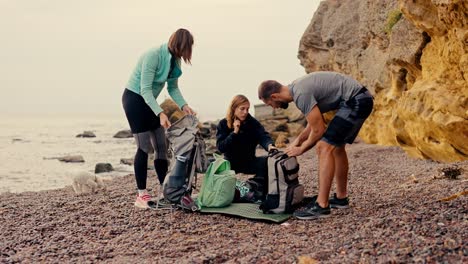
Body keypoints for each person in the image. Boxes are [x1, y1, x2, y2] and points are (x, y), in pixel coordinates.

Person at [258, 71, 374, 220]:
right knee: (337, 147)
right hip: (358, 99)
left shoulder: (300, 93)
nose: (274, 108)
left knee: (323, 146)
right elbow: (314, 122)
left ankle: (322, 205)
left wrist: (301, 149)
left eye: (270, 104)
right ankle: (341, 198)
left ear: (274, 96)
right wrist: (298, 141)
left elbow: (319, 129)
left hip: (356, 101)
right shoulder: (297, 89)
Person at [122, 28, 196, 209]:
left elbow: (172, 88)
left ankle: (166, 189)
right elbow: (145, 89)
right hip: (135, 99)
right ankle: (141, 195)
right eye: (186, 48)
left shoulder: (175, 61)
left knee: (161, 146)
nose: (187, 53)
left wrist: (184, 105)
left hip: (149, 101)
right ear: (178, 44)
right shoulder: (153, 55)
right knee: (143, 146)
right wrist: (160, 113)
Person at [216, 94, 276, 202]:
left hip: (249, 161)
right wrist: (234, 132)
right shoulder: (223, 124)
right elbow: (221, 147)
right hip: (231, 163)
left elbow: (262, 135)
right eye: (242, 109)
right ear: (234, 108)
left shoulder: (252, 122)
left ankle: (252, 187)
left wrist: (269, 145)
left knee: (270, 162)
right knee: (216, 169)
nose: (245, 112)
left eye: (247, 109)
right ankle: (237, 190)